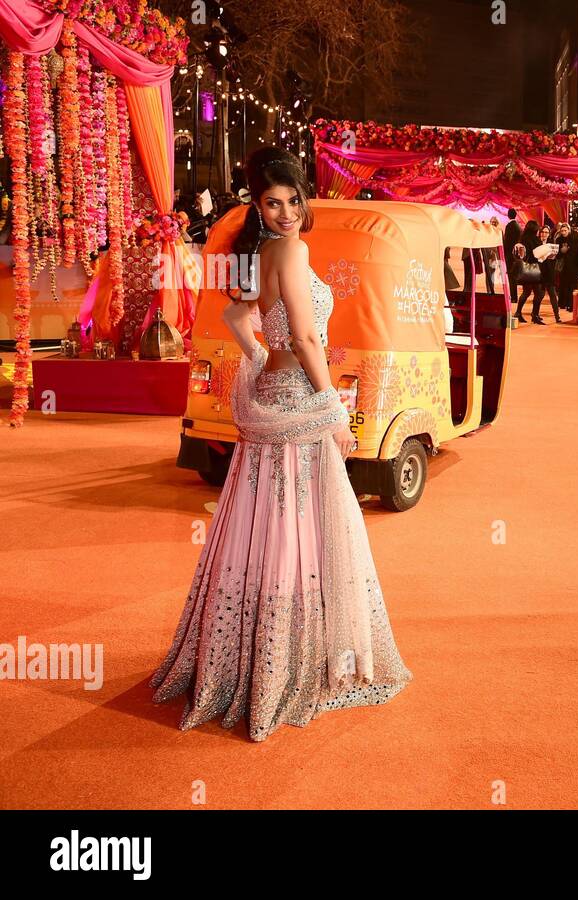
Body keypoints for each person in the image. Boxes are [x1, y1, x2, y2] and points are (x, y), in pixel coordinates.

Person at [149, 149, 412, 741]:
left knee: (261, 523)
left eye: (295, 199)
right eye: (274, 202)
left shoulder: (259, 252)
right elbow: (310, 339)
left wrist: (261, 360)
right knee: (303, 526)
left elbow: (239, 318)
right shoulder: (289, 251)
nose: (288, 212)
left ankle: (256, 658)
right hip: (298, 401)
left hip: (273, 392)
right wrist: (332, 411)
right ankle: (288, 663)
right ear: (258, 205)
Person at [514, 220, 546, 323]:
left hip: (525, 269)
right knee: (539, 293)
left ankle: (518, 312)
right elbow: (537, 254)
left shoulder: (522, 239)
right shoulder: (535, 240)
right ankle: (534, 315)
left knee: (526, 292)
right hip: (534, 269)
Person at [555, 222, 578, 311]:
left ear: (569, 230)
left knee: (571, 286)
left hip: (573, 267)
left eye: (565, 230)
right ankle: (563, 303)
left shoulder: (574, 239)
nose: (563, 232)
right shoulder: (558, 240)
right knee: (563, 286)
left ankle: (570, 305)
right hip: (563, 267)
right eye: (562, 231)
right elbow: (556, 255)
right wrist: (562, 251)